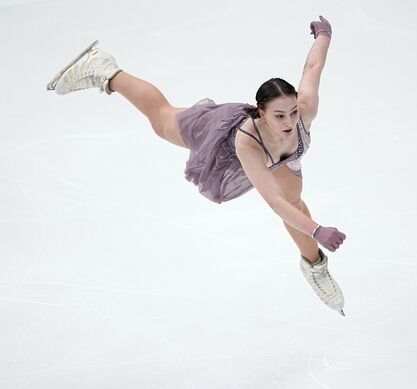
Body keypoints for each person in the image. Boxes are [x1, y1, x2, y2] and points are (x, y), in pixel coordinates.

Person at [47, 15, 348, 316]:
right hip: (219, 137)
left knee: (296, 199)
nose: (290, 121)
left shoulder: (304, 112)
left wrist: (323, 35)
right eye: (279, 115)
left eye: (293, 112)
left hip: (284, 157)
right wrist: (318, 229)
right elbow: (274, 200)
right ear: (261, 113)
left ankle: (315, 267)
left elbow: (313, 68)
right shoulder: (246, 142)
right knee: (162, 120)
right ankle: (106, 69)